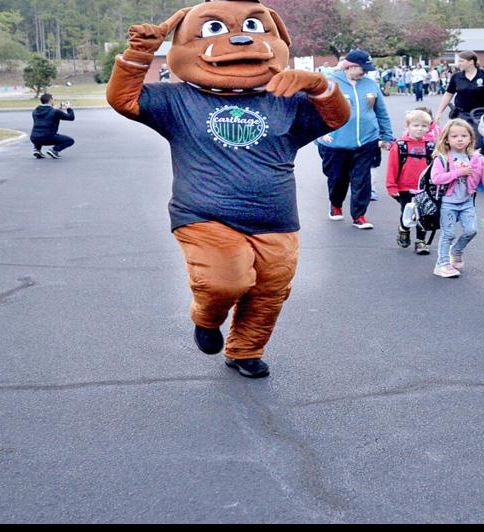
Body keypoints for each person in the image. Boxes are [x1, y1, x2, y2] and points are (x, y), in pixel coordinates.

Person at [107, 2, 350, 380]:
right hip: (205, 214)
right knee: (225, 280)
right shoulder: (178, 100)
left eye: (253, 27)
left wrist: (322, 86)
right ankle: (207, 317)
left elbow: (335, 117)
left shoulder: (285, 99)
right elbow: (125, 99)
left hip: (276, 218)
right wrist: (140, 53)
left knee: (270, 292)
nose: (239, 38)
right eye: (216, 29)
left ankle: (245, 351)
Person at [318, 49, 392, 229]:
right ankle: (336, 205)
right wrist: (320, 135)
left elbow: (381, 112)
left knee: (362, 179)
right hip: (335, 142)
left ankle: (359, 216)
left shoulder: (371, 85)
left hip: (366, 141)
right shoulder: (330, 83)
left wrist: (387, 135)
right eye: (362, 68)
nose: (365, 72)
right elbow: (316, 110)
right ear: (350, 66)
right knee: (337, 179)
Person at [427, 119, 484, 278]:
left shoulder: (477, 159)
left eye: (464, 135)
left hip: (466, 202)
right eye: (454, 136)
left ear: (470, 138)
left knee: (471, 230)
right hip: (447, 203)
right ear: (446, 139)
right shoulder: (442, 158)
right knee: (448, 234)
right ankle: (442, 264)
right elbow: (436, 178)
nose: (460, 139)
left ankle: (456, 250)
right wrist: (457, 173)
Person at [386, 109, 438, 255]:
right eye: (415, 125)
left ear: (429, 127)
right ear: (407, 126)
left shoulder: (430, 146)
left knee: (424, 213)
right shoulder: (400, 145)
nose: (420, 129)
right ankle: (404, 228)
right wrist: (391, 186)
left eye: (423, 126)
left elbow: (436, 167)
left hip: (424, 188)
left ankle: (420, 241)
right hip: (404, 186)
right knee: (408, 212)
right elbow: (392, 167)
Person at [437, 53, 484, 124]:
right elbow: (448, 95)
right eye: (459, 61)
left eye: (461, 61)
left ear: (471, 62)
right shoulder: (456, 77)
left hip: (480, 113)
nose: (459, 64)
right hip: (461, 114)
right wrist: (439, 113)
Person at [29, 93, 75, 158]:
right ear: (50, 100)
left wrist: (56, 108)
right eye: (53, 99)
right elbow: (71, 117)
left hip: (34, 138)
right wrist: (69, 108)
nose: (53, 100)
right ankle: (54, 150)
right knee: (70, 140)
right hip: (48, 138)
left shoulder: (35, 111)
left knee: (40, 132)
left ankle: (37, 149)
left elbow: (47, 112)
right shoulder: (55, 112)